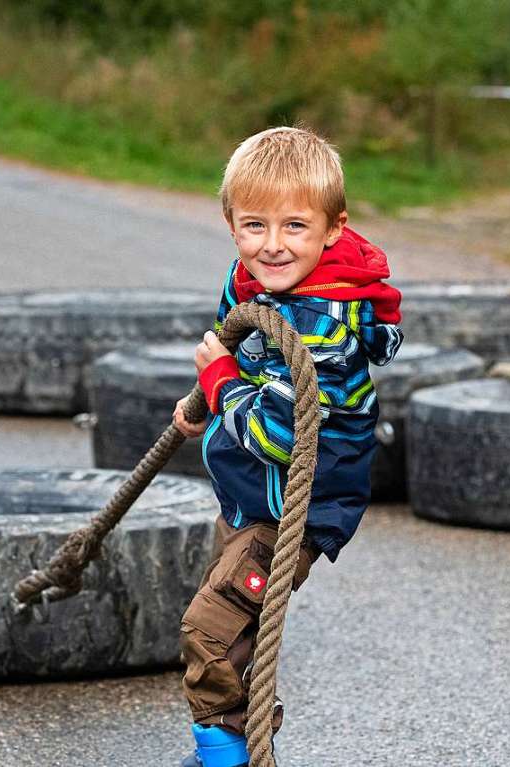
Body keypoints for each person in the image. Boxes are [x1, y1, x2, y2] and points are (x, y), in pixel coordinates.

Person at [171, 126, 403, 767]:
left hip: (297, 501)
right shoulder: (252, 278)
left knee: (209, 632)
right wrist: (201, 403)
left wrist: (218, 385)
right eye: (254, 226)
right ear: (231, 224)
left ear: (333, 229)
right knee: (233, 625)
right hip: (248, 489)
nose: (272, 246)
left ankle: (225, 755)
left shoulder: (322, 329)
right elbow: (233, 338)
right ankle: (237, 745)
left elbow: (280, 436)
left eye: (295, 227)